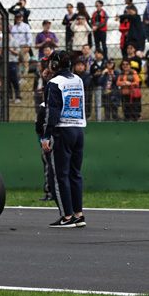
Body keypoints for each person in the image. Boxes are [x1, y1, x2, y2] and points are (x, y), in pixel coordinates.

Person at [40, 50, 87, 228]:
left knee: (60, 176)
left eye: (50, 62)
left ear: (55, 64)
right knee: (75, 174)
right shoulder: (78, 80)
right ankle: (78, 214)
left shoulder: (54, 83)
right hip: (78, 129)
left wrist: (45, 136)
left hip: (61, 131)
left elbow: (51, 112)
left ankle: (66, 217)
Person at [35, 102, 52, 201]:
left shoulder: (44, 106)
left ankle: (49, 193)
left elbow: (38, 126)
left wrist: (42, 140)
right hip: (60, 139)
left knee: (48, 167)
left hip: (48, 140)